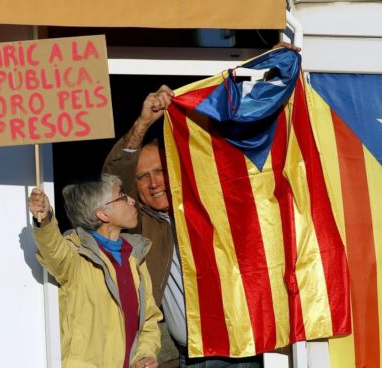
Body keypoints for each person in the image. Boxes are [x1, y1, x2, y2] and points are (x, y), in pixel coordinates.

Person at [103, 42, 301, 368]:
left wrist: (271, 66)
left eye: (160, 172)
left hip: (245, 350)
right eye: (143, 177)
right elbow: (112, 175)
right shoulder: (139, 224)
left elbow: (245, 146)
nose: (154, 183)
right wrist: (143, 123)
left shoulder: (212, 203)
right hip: (190, 358)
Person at [28, 174, 162, 368]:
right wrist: (45, 218)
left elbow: (149, 320)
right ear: (103, 214)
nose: (132, 200)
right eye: (122, 196)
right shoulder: (76, 255)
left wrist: (144, 356)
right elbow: (53, 250)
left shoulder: (135, 255)